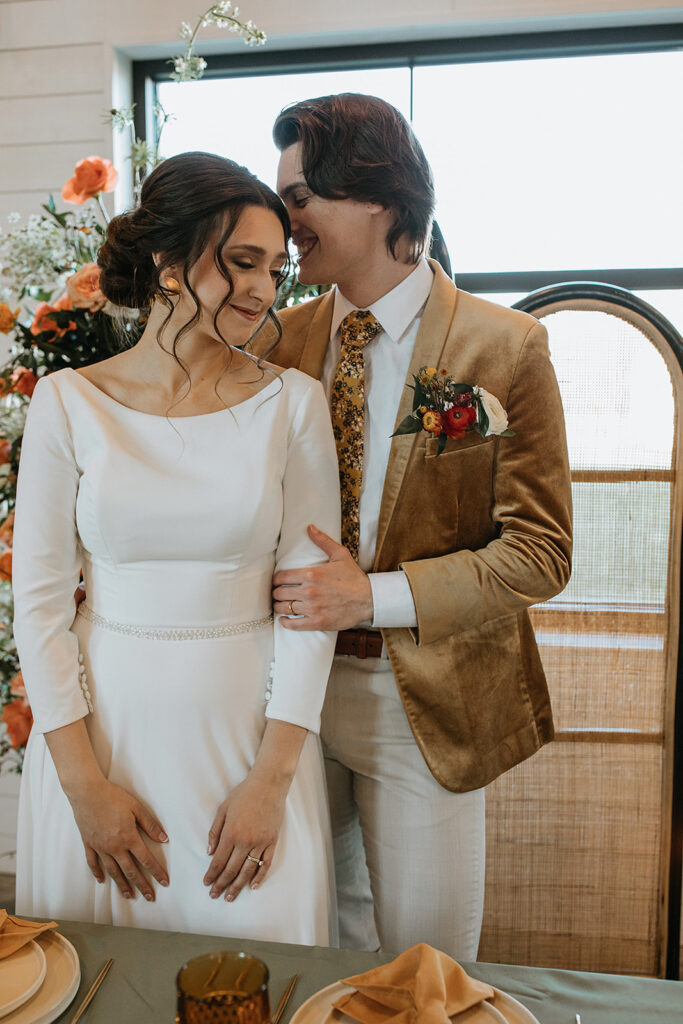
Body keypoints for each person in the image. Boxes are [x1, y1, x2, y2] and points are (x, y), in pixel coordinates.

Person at [251, 93, 573, 959]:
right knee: (311, 948)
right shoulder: (274, 341)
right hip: (288, 698)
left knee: (426, 970)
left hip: (423, 704)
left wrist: (372, 598)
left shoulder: (503, 349)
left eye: (299, 197)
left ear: (379, 197)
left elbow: (539, 553)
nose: (286, 222)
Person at [13, 151, 341, 945]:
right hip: (102, 740)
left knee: (259, 969)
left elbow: (311, 601)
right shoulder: (68, 402)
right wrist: (83, 786)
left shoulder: (292, 405)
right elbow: (41, 607)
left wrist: (271, 782)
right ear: (167, 265)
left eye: (273, 267)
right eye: (240, 263)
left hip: (249, 742)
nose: (264, 289)